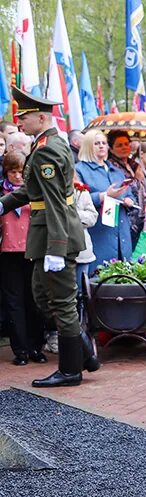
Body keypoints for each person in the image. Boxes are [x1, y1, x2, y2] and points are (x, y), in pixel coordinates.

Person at [0, 86, 99, 387]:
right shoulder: (45, 144)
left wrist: (56, 248)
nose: (20, 122)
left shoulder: (48, 150)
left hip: (55, 236)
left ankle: (71, 370)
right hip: (48, 234)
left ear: (41, 118)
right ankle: (85, 354)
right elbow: (33, 192)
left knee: (61, 303)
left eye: (24, 117)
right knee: (43, 295)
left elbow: (55, 202)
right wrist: (3, 204)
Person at [0, 151, 46, 365]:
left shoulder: (34, 192)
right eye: (13, 172)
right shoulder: (2, 193)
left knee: (34, 300)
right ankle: (20, 350)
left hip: (32, 250)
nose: (17, 177)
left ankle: (36, 346)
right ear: (6, 172)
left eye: (21, 172)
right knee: (14, 302)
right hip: (8, 252)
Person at [76, 129, 135, 273]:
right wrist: (103, 196)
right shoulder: (79, 170)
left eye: (104, 143)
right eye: (97, 143)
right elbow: (76, 201)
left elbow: (129, 193)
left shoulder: (116, 170)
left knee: (123, 277)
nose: (102, 146)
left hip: (121, 229)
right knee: (100, 276)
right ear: (88, 146)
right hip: (98, 232)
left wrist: (129, 200)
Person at [107, 131, 146, 246]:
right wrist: (136, 180)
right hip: (126, 219)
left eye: (126, 144)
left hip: (141, 217)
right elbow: (120, 190)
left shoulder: (135, 165)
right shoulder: (112, 167)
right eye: (119, 145)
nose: (124, 147)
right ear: (111, 148)